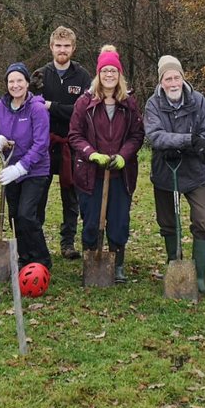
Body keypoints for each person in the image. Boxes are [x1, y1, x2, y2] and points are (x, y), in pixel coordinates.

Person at [68, 45, 145, 284]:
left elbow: (137, 135)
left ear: (119, 74)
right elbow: (74, 135)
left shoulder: (128, 103)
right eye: (105, 71)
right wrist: (92, 154)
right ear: (98, 75)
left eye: (113, 71)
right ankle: (91, 261)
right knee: (91, 221)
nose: (109, 75)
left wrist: (123, 155)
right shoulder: (85, 103)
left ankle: (117, 264)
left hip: (120, 174)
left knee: (119, 220)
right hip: (91, 174)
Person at [143, 55, 205, 292]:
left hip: (194, 172)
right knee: (168, 222)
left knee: (202, 219)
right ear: (161, 81)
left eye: (176, 77)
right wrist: (189, 140)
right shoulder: (153, 104)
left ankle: (199, 277)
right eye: (168, 78)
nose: (173, 83)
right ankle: (174, 268)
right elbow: (154, 135)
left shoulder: (198, 101)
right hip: (165, 171)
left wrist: (200, 143)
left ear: (183, 78)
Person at [32, 26, 91, 260]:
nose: (62, 50)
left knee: (71, 197)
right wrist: (53, 108)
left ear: (73, 48)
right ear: (51, 47)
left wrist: (50, 106)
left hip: (72, 144)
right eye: (58, 46)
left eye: (66, 46)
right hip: (44, 143)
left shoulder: (82, 76)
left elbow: (81, 110)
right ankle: (37, 243)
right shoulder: (40, 75)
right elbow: (33, 107)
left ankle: (68, 242)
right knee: (39, 196)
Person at [0, 63, 52, 270]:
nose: (15, 85)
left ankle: (41, 259)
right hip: (10, 170)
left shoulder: (37, 108)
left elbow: (41, 144)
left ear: (26, 83)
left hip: (34, 170)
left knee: (26, 214)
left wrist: (21, 167)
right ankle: (24, 257)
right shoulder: (2, 106)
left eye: (19, 81)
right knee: (14, 216)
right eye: (11, 81)